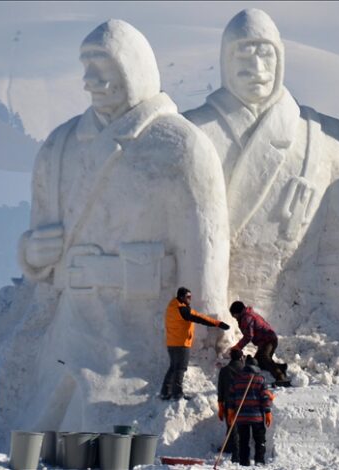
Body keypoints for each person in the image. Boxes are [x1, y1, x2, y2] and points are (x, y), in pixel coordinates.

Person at [14, 19, 230, 432]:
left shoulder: (181, 147)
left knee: (115, 430)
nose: (90, 81)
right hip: (72, 327)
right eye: (87, 66)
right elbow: (37, 242)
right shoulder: (59, 147)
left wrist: (205, 335)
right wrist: (31, 254)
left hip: (139, 336)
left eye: (103, 66)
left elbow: (204, 250)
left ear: (133, 69)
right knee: (51, 429)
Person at [184, 8, 339, 334]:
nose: (256, 68)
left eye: (266, 54)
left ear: (281, 59)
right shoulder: (192, 132)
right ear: (225, 61)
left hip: (304, 318)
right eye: (243, 55)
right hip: (221, 318)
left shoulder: (323, 137)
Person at [161, 287, 231, 400]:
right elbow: (199, 318)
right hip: (181, 344)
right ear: (181, 297)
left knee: (173, 367)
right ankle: (177, 394)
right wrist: (218, 323)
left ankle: (165, 391)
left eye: (191, 297)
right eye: (188, 297)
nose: (190, 299)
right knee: (180, 368)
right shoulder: (182, 309)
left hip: (172, 343)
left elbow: (194, 314)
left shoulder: (173, 306)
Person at [229, 301, 289, 385]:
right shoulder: (247, 315)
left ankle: (280, 377)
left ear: (237, 313)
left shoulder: (246, 318)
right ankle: (281, 367)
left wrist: (238, 347)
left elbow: (248, 336)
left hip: (268, 340)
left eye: (234, 315)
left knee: (265, 357)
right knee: (258, 363)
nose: (234, 318)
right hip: (265, 341)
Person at [228, 356, 274, 466]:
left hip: (241, 417)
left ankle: (244, 462)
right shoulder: (260, 380)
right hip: (257, 417)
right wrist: (267, 412)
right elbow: (265, 397)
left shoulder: (237, 380)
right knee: (259, 440)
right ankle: (259, 461)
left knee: (243, 441)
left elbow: (231, 397)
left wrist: (231, 410)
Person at [217, 348, 245, 462]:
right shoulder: (245, 370)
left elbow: (221, 389)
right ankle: (232, 447)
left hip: (229, 402)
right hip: (243, 401)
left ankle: (233, 449)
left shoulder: (224, 370)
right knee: (242, 426)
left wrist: (220, 404)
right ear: (241, 357)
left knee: (231, 425)